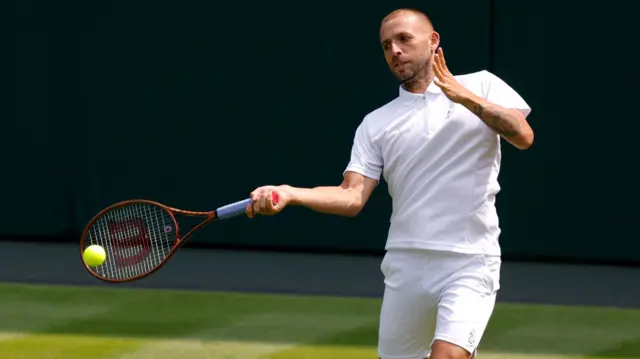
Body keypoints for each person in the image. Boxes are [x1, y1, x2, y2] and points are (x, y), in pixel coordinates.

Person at [245, 8, 534, 359]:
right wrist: (291, 194)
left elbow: (523, 135)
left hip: (470, 260)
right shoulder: (376, 123)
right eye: (386, 46)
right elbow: (351, 196)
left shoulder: (482, 85)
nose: (394, 50)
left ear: (433, 41)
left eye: (403, 39)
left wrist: (463, 96)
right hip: (405, 263)